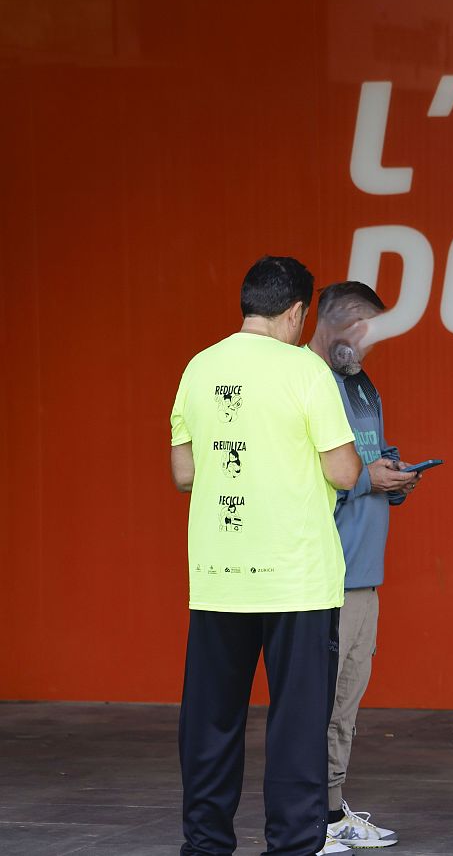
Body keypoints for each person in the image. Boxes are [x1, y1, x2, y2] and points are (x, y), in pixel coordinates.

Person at [169, 256, 362, 856]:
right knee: (297, 728)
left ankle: (204, 846)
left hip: (220, 578)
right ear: (299, 311)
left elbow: (183, 472)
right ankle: (292, 847)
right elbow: (344, 469)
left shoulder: (200, 366)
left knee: (210, 724)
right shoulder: (306, 370)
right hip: (297, 581)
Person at [308, 282, 421, 850]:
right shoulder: (304, 381)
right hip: (321, 572)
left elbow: (360, 461)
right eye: (367, 329)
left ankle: (328, 813)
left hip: (363, 571)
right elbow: (294, 475)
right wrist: (365, 481)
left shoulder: (360, 385)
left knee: (344, 706)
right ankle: (307, 817)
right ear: (341, 320)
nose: (372, 343)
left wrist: (389, 477)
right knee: (317, 705)